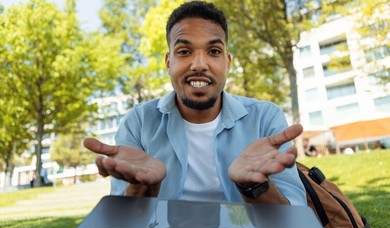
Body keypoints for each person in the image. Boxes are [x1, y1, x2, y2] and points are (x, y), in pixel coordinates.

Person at [84, 1, 306, 206]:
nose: (199, 64)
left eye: (213, 51)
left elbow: (294, 217)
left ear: (227, 63)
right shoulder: (139, 122)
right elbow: (123, 224)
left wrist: (255, 186)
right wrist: (144, 188)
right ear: (168, 62)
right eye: (184, 52)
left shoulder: (265, 118)